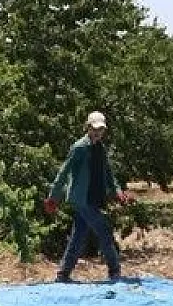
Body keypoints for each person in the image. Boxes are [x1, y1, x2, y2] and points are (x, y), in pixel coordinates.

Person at [44, 111, 136, 283]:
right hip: (81, 199)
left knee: (78, 236)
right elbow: (64, 172)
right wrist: (53, 197)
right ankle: (114, 271)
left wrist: (118, 192)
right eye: (94, 129)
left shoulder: (100, 148)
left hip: (94, 197)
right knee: (104, 231)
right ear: (88, 128)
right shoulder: (79, 148)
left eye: (101, 130)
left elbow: (108, 173)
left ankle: (63, 274)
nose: (98, 133)